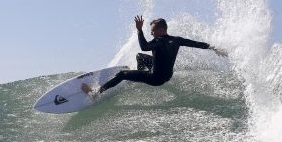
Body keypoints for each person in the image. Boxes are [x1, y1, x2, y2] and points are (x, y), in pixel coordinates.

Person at [82, 16, 226, 95]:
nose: (151, 33)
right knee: (140, 57)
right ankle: (140, 74)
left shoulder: (158, 41)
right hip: (167, 76)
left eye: (153, 31)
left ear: (161, 30)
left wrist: (139, 30)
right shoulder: (177, 40)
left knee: (121, 74)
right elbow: (197, 44)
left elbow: (144, 46)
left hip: (155, 79)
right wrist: (214, 48)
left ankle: (96, 93)